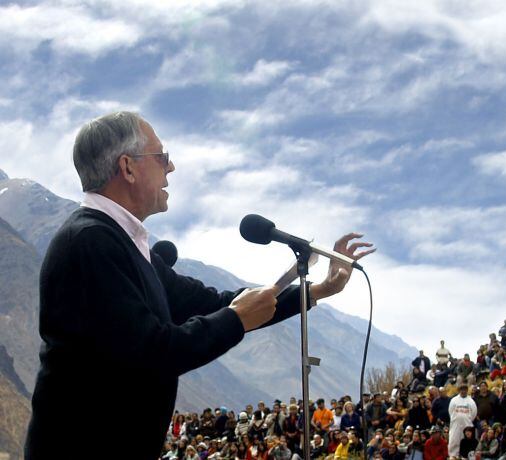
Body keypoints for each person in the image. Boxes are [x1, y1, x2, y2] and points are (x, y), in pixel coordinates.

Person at [24, 111, 374, 459]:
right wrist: (236, 319)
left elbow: (215, 302)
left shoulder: (126, 246)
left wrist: (316, 291)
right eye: (162, 157)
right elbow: (152, 352)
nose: (171, 168)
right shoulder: (90, 242)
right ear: (128, 168)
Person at [448, 384, 477, 459]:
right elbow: (450, 411)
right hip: (455, 424)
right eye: (461, 389)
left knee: (466, 440)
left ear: (467, 390)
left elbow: (474, 413)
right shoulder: (454, 400)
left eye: (464, 390)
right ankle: (453, 455)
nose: (463, 391)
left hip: (467, 424)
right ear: (459, 390)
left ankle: (465, 456)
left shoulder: (471, 401)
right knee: (454, 439)